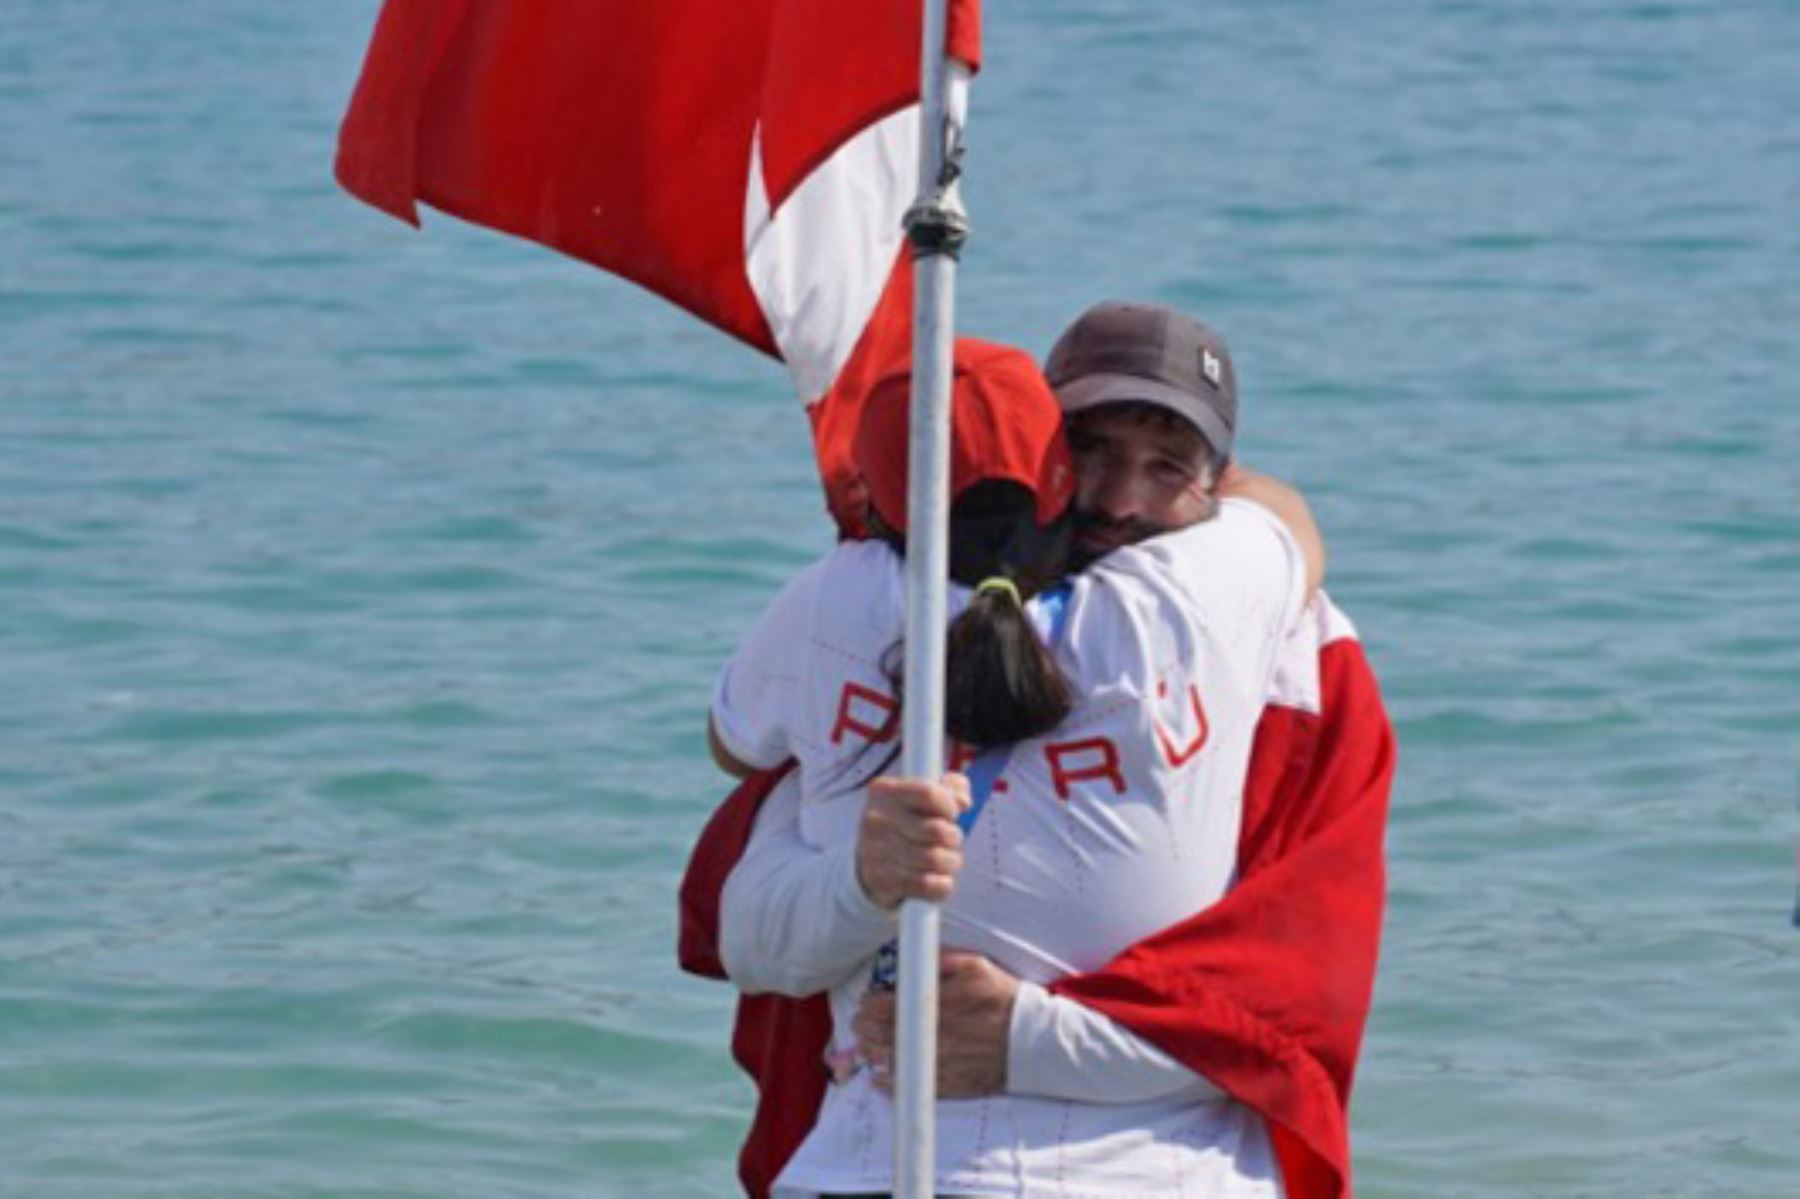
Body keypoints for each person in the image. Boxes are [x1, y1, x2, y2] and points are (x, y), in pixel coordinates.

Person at [704, 304, 1336, 1197]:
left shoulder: (832, 603)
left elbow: (735, 806)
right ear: (1044, 452)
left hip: (863, 1163)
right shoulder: (1197, 596)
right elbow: (1289, 520)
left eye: (1165, 467)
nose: (1121, 501)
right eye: (1093, 454)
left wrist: (1016, 1035)